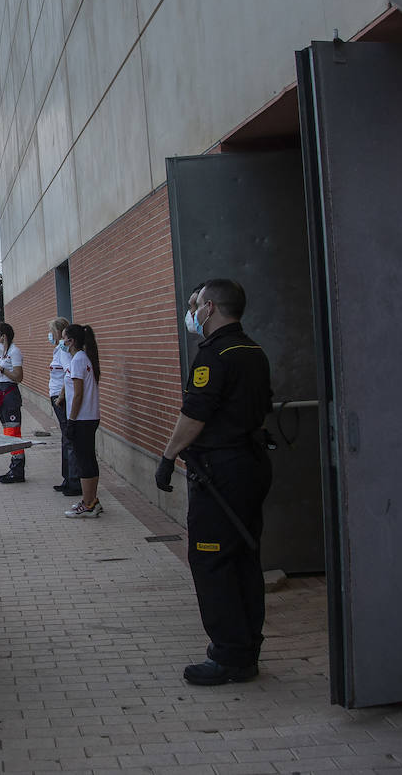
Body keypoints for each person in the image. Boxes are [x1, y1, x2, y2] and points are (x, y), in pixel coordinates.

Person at [155, 278, 273, 686]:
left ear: (210, 308)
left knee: (212, 561)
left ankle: (229, 655)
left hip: (220, 472)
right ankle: (246, 647)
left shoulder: (214, 355)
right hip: (250, 465)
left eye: (196, 305)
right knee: (243, 557)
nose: (192, 312)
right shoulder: (253, 350)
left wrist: (168, 456)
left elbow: (194, 416)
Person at [61, 323, 103, 518]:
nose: (61, 342)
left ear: (71, 341)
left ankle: (87, 504)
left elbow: (78, 394)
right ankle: (91, 500)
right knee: (89, 459)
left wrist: (71, 420)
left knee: (84, 462)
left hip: (82, 419)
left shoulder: (78, 360)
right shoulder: (83, 358)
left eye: (64, 338)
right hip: (89, 417)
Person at [0, 322, 26, 483]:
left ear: (3, 336)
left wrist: (0, 368)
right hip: (3, 395)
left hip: (11, 395)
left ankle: (18, 471)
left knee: (13, 434)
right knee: (8, 433)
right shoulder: (2, 353)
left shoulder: (14, 352)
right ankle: (14, 468)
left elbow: (18, 377)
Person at [46, 317, 78, 495]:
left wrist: (61, 396)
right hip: (57, 396)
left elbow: (69, 373)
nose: (49, 335)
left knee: (69, 439)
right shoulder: (58, 350)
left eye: (51, 331)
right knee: (65, 439)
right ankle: (68, 478)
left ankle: (74, 481)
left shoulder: (64, 352)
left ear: (58, 332)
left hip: (61, 399)